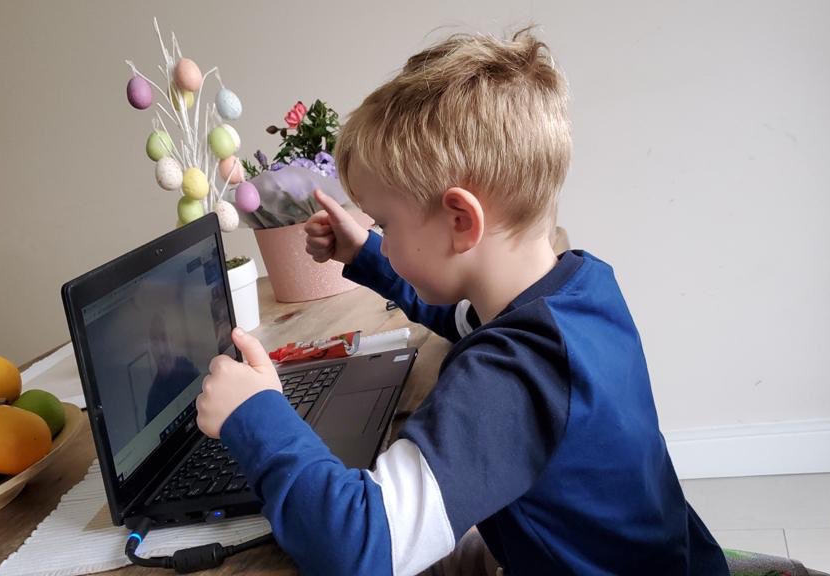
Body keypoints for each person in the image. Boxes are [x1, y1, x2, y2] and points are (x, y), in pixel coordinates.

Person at [196, 28, 728, 575]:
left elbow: (360, 546)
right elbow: (463, 317)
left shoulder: (511, 378)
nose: (381, 234)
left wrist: (253, 414)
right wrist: (371, 254)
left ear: (460, 221)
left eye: (385, 223)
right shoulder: (579, 288)